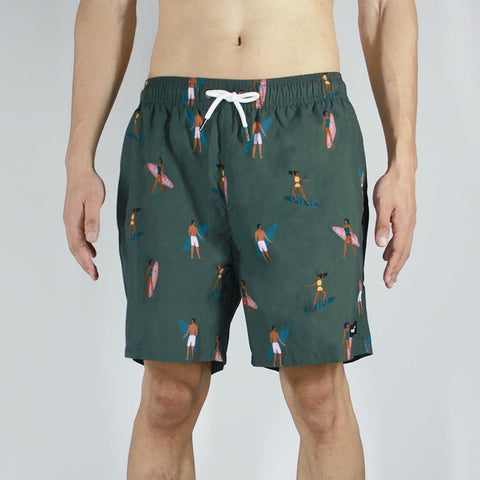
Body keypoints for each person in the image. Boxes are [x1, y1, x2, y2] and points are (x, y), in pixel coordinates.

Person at [62, 1, 418, 478]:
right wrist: (78, 161)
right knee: (168, 395)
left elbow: (384, 7)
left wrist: (404, 162)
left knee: (317, 394)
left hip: (306, 123)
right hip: (174, 128)